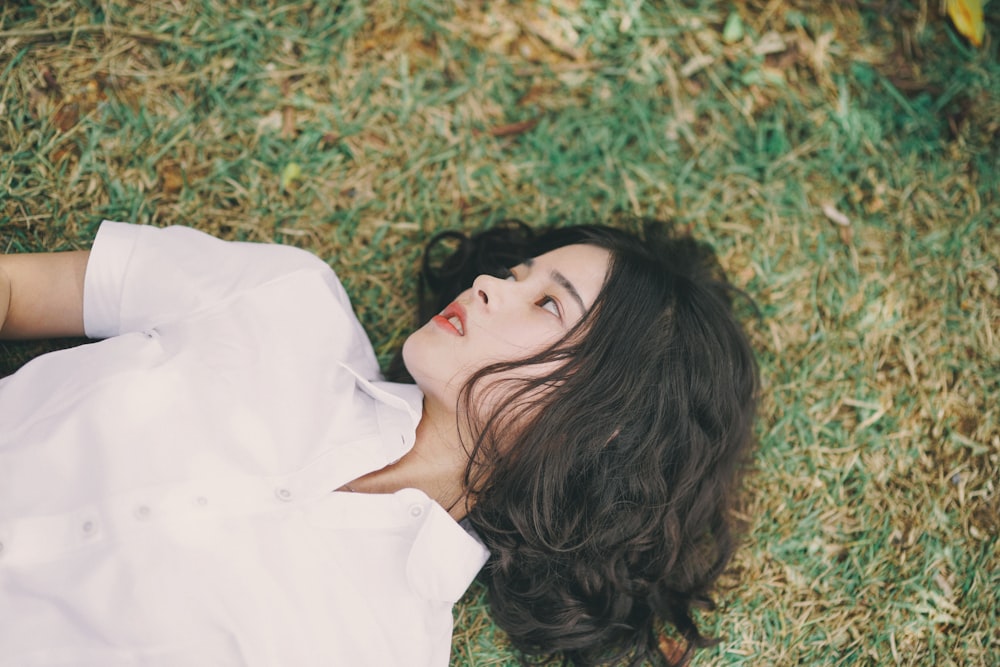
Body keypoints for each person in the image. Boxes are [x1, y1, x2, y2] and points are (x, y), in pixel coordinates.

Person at [0, 218, 758, 667]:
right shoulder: (285, 300)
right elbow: (16, 291)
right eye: (518, 271)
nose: (491, 284)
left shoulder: (384, 645)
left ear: (607, 417)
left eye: (547, 303)